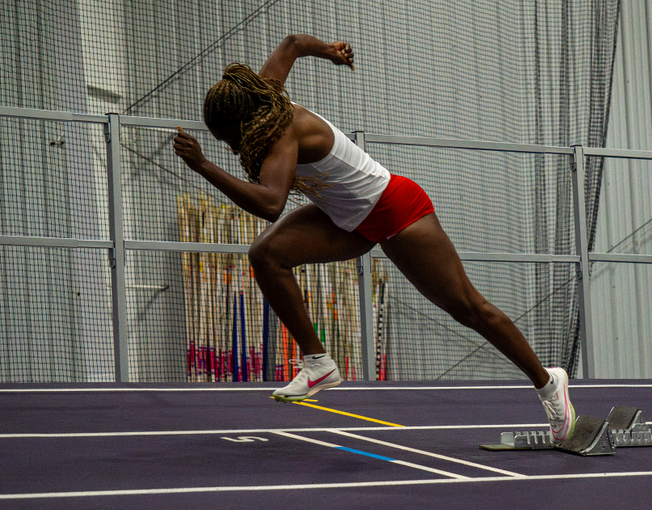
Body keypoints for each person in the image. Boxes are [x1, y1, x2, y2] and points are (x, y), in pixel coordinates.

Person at [173, 34, 576, 442]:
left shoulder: (282, 136)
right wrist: (331, 51)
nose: (231, 146)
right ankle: (319, 363)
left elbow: (271, 203)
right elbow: (291, 44)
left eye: (228, 138)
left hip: (394, 210)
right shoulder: (263, 94)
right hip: (346, 218)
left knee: (469, 309)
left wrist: (203, 165)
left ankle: (548, 382)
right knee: (266, 255)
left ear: (242, 122)